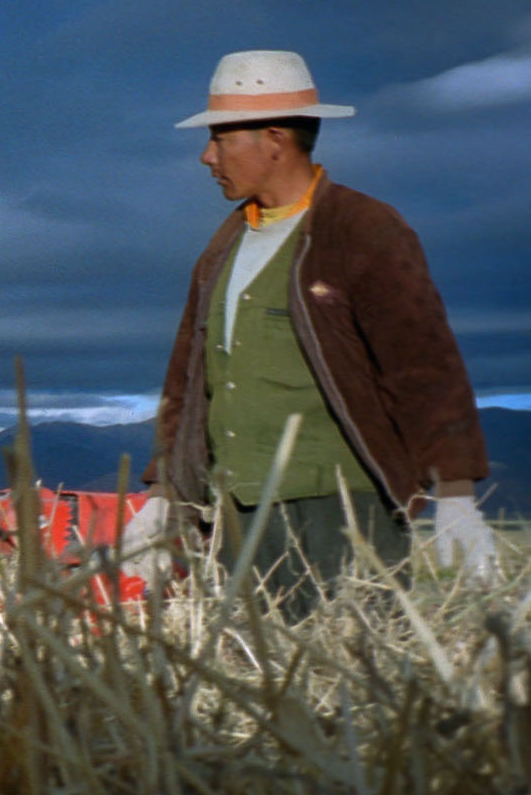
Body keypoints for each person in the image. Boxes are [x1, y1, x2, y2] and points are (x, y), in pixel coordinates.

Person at [126, 49, 499, 618]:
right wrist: (163, 498)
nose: (207, 156)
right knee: (250, 676)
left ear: (273, 138)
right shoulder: (222, 249)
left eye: (220, 139)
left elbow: (423, 366)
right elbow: (187, 382)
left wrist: (455, 496)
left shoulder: (363, 229)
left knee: (351, 679)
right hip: (237, 514)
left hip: (343, 511)